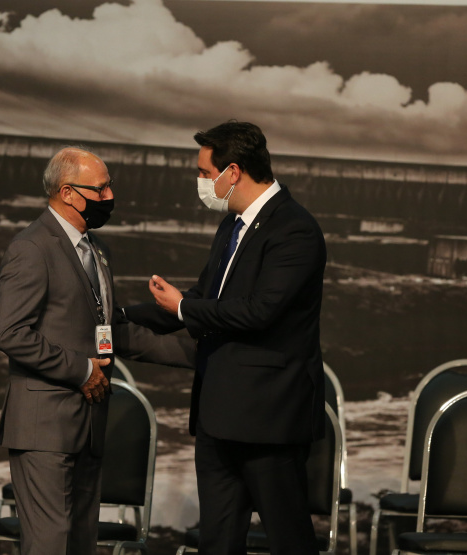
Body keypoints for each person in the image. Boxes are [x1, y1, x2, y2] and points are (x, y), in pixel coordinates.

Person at [125, 121, 327, 554]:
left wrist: (183, 306)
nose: (201, 182)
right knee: (217, 542)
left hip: (268, 419)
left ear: (232, 171)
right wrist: (119, 315)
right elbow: (201, 299)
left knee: (289, 541)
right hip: (218, 417)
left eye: (204, 172)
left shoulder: (294, 229)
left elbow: (259, 310)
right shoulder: (231, 226)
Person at [0, 146, 195, 555]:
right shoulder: (32, 247)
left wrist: (200, 355)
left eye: (109, 187)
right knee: (50, 545)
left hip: (89, 426)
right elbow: (10, 333)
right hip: (44, 427)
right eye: (100, 189)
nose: (109, 197)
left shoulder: (97, 250)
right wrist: (81, 371)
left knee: (81, 543)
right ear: (67, 193)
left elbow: (109, 331)